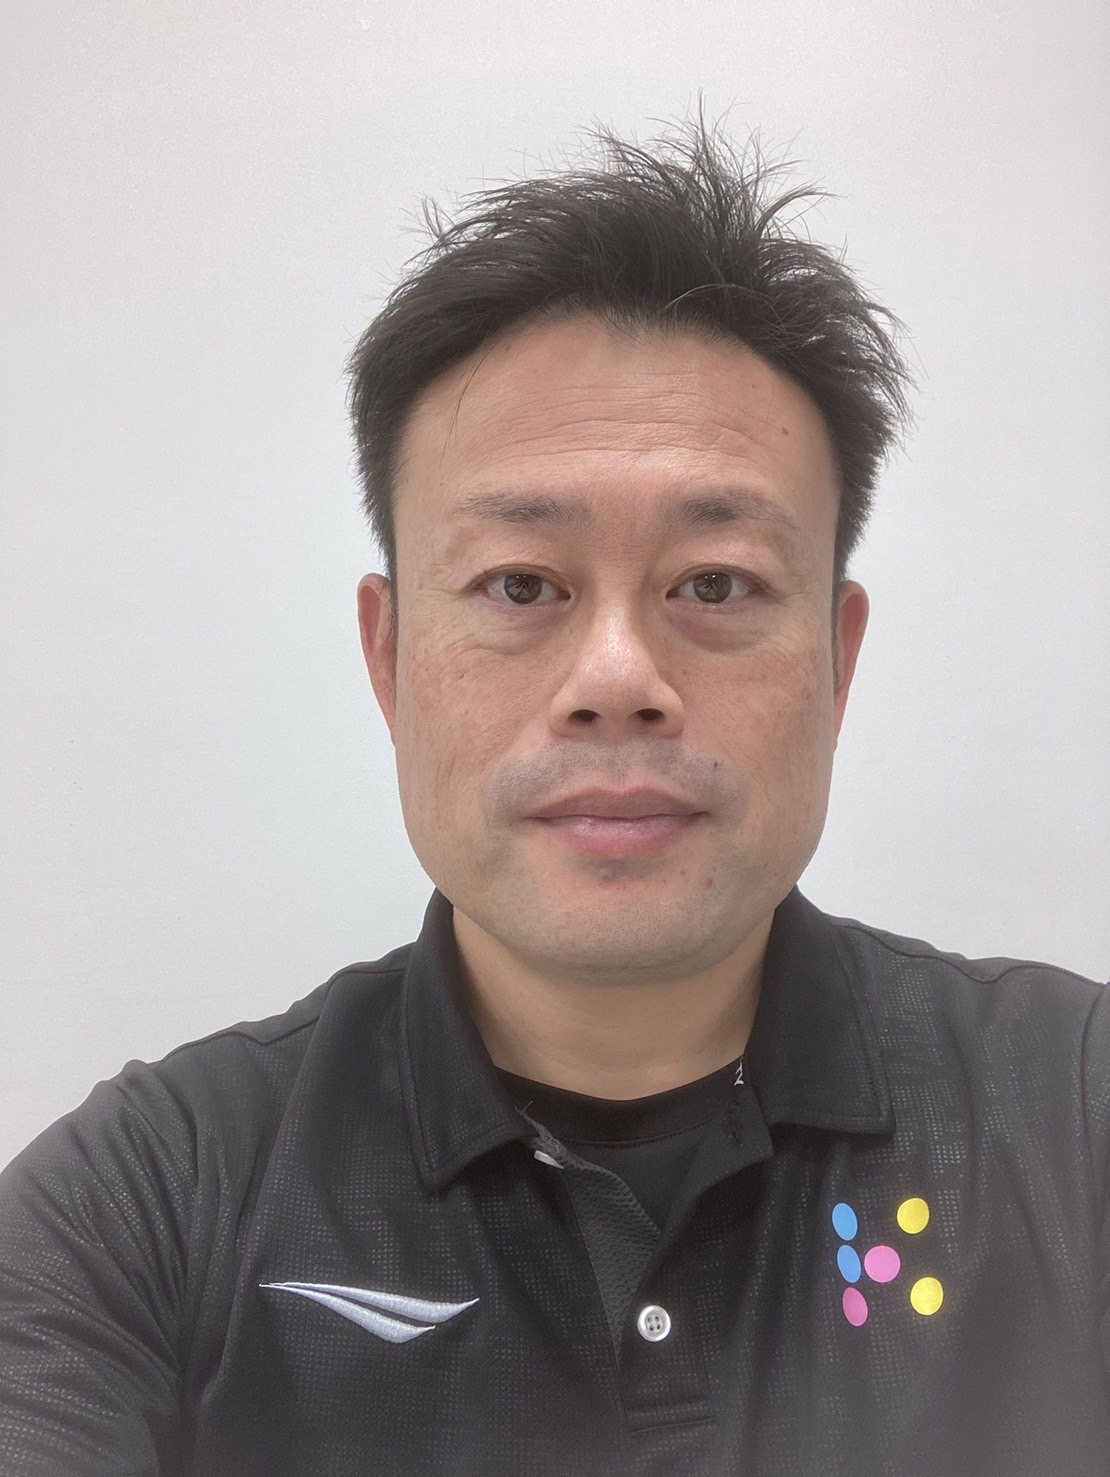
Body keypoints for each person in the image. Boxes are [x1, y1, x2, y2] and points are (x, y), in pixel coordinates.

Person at [0, 115, 1107, 1477]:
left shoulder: (1071, 1112)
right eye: (521, 584)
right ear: (389, 655)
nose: (618, 679)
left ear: (839, 654)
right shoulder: (149, 1197)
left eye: (716, 584)